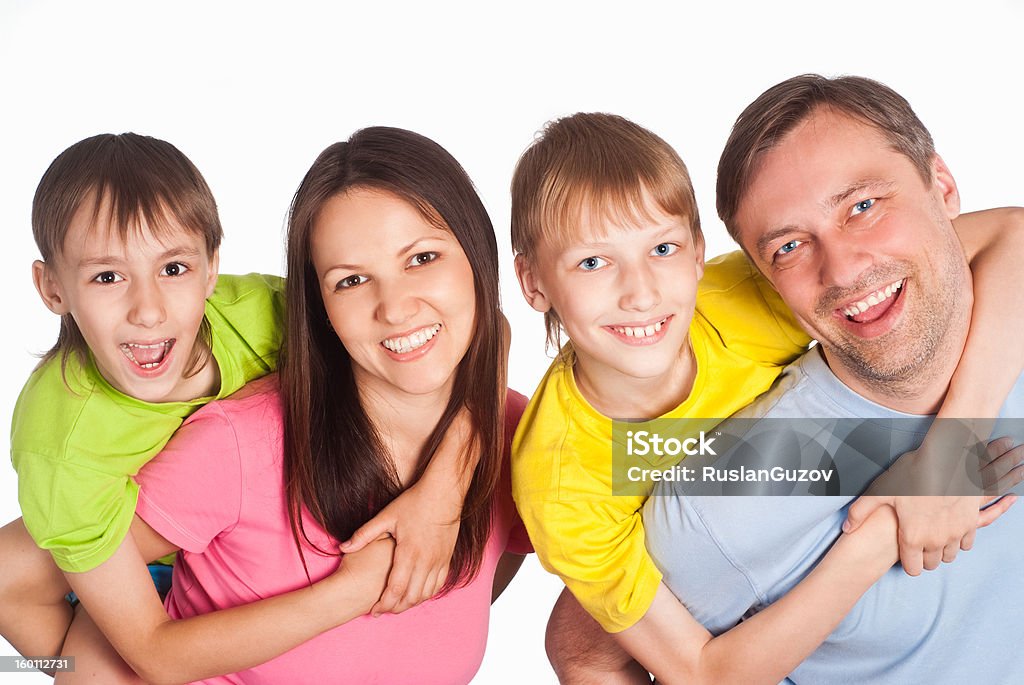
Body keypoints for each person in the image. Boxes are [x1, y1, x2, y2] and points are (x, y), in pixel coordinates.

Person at [510, 112, 1023, 683]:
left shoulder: (741, 298)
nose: (640, 293)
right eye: (592, 262)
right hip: (718, 573)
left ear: (698, 253)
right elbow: (697, 673)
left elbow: (1010, 233)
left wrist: (951, 448)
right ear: (533, 284)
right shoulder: (562, 483)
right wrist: (879, 536)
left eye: (662, 249)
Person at [0, 132, 476, 680]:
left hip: (193, 548)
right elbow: (154, 654)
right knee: (66, 642)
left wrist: (444, 487)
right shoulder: (61, 450)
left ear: (211, 269)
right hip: (116, 581)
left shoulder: (262, 314)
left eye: (173, 269)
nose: (148, 310)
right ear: (52, 288)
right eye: (107, 277)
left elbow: (479, 334)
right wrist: (357, 588)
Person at [645, 74, 1024, 684]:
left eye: (863, 208)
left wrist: (955, 444)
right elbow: (590, 643)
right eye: (790, 247)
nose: (843, 267)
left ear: (943, 187)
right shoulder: (726, 495)